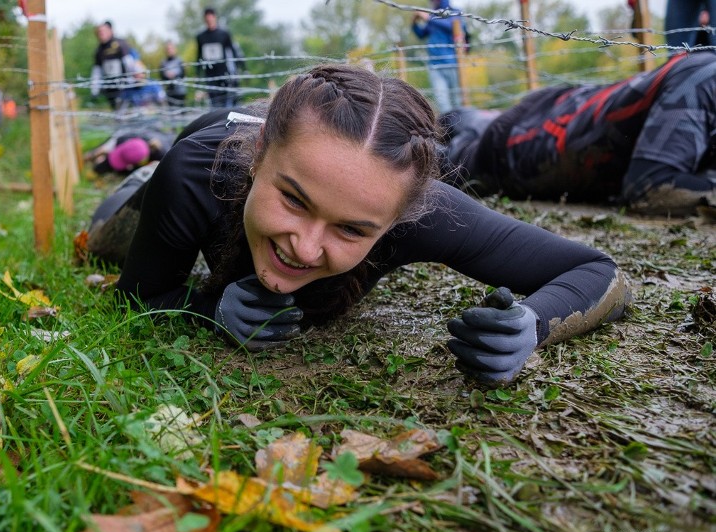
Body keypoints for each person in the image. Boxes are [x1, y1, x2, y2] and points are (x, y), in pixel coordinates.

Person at [85, 63, 631, 387]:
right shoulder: (196, 174)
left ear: (397, 219)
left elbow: (597, 270)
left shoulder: (418, 208)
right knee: (106, 241)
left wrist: (533, 324)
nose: (304, 247)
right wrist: (207, 310)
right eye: (294, 201)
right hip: (202, 148)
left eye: (351, 230)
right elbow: (139, 295)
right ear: (259, 164)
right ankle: (140, 178)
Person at [438, 51, 716, 217]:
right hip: (519, 148)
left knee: (464, 121)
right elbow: (650, 188)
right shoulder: (705, 79)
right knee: (439, 156)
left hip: (557, 112)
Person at [411, 0, 464, 113]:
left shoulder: (455, 12)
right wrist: (414, 23)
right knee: (442, 101)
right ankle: (450, 129)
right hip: (434, 65)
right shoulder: (433, 15)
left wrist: (428, 18)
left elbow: (453, 26)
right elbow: (421, 34)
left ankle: (460, 126)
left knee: (456, 100)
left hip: (452, 63)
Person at [196, 7, 242, 108]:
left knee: (226, 103)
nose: (209, 20)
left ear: (214, 17)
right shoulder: (201, 36)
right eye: (207, 18)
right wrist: (198, 76)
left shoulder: (224, 34)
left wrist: (239, 67)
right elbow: (199, 55)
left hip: (223, 74)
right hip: (210, 75)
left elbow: (232, 51)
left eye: (211, 18)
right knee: (214, 104)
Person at [90, 21, 137, 110]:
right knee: (117, 113)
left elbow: (129, 63)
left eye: (103, 31)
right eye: (99, 32)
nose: (101, 34)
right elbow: (97, 71)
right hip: (110, 88)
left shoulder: (120, 44)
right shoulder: (99, 50)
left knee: (128, 112)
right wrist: (95, 89)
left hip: (124, 87)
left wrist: (133, 81)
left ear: (110, 31)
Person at [160, 41, 188, 107]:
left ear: (175, 49)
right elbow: (162, 76)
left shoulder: (180, 61)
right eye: (168, 49)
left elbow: (183, 74)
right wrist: (167, 76)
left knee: (182, 111)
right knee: (172, 113)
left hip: (180, 91)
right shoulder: (163, 62)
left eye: (171, 48)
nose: (170, 50)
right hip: (169, 92)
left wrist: (174, 75)